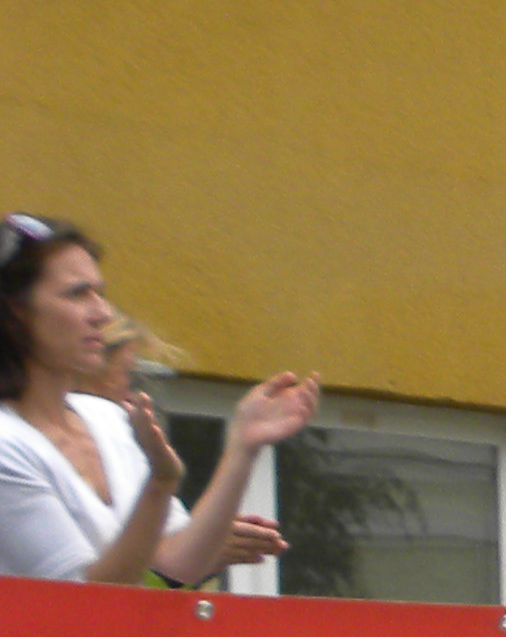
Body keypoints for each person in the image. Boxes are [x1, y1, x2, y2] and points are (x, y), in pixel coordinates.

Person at [0, 215, 315, 587]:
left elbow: (177, 563)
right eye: (77, 294)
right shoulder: (7, 442)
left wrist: (243, 446)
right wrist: (160, 483)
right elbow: (82, 598)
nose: (102, 314)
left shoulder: (108, 418)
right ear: (16, 310)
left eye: (100, 293)